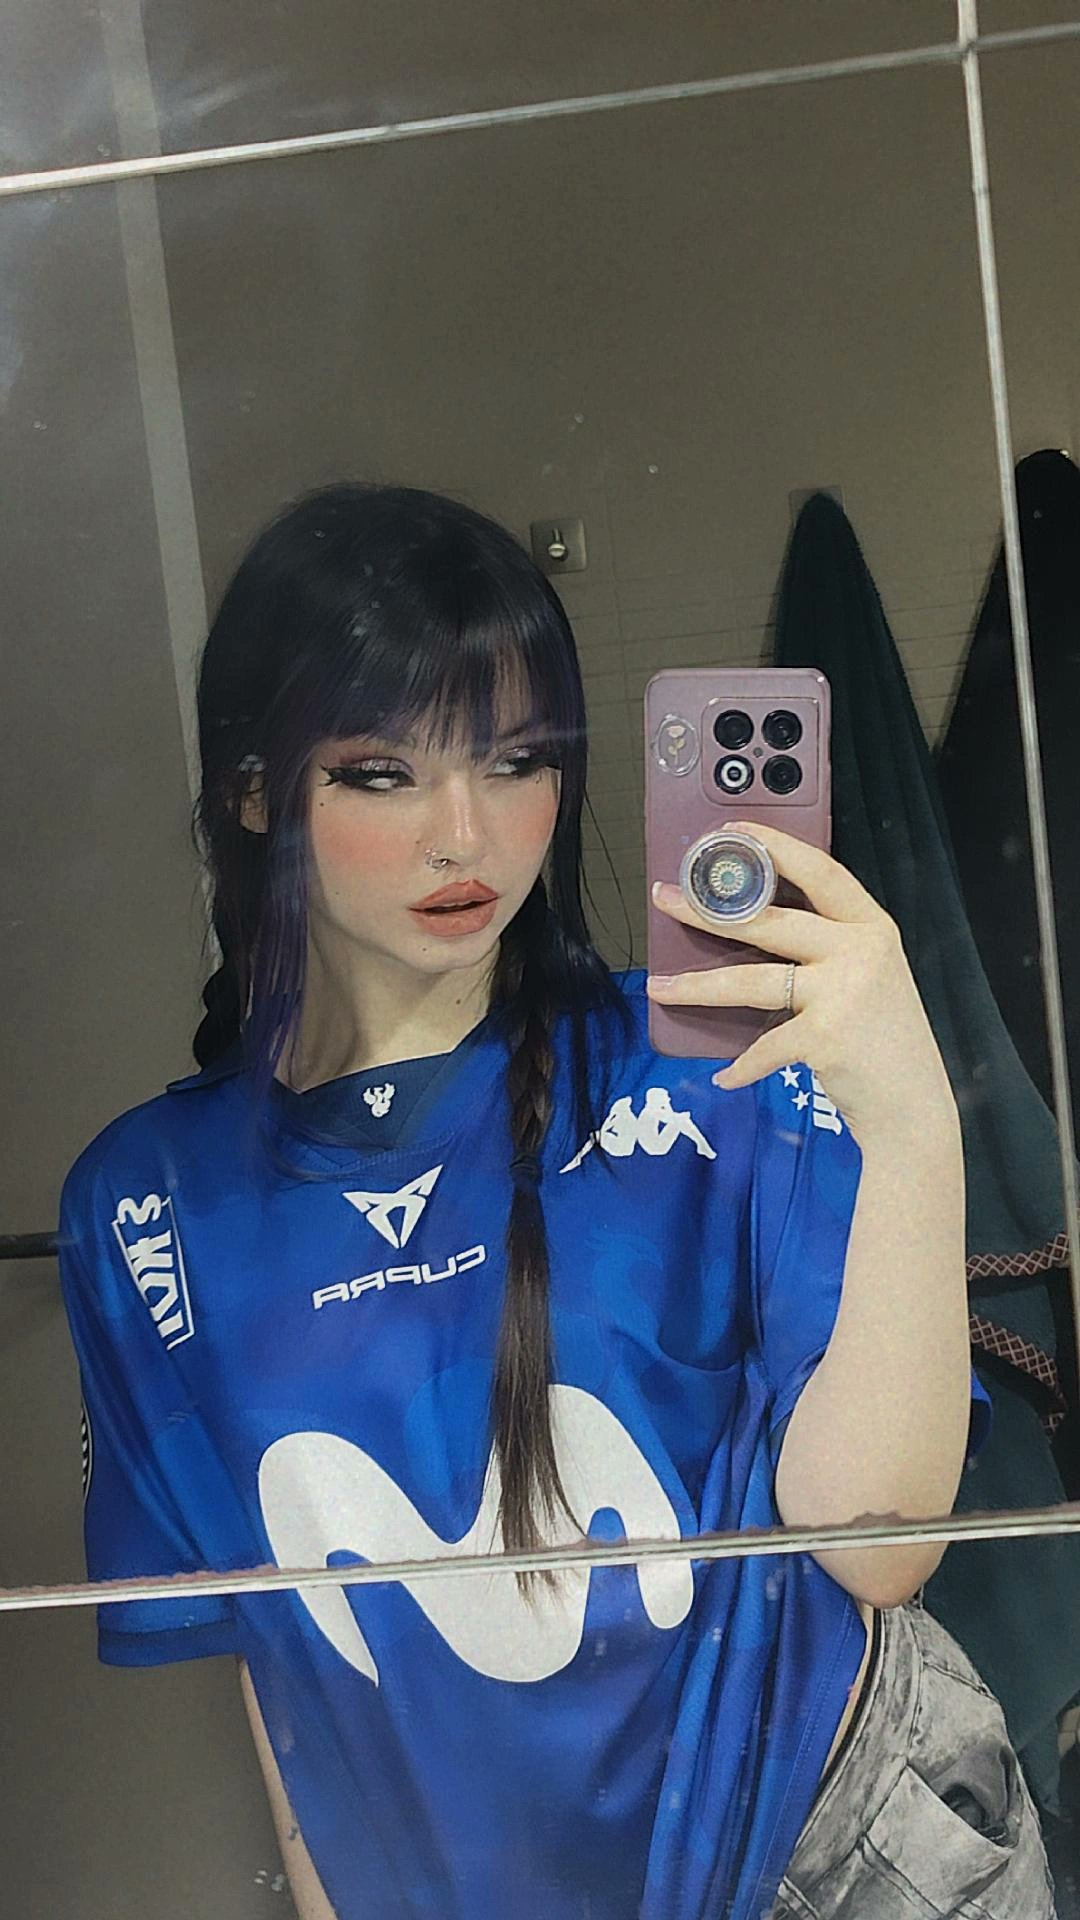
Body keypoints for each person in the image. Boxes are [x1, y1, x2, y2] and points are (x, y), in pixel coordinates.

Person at [57, 483, 1056, 1920]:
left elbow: (877, 1543)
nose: (467, 834)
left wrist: (908, 1118)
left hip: (840, 1848)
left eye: (516, 760)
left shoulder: (713, 1064)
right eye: (382, 773)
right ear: (258, 791)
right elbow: (285, 1662)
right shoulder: (148, 1207)